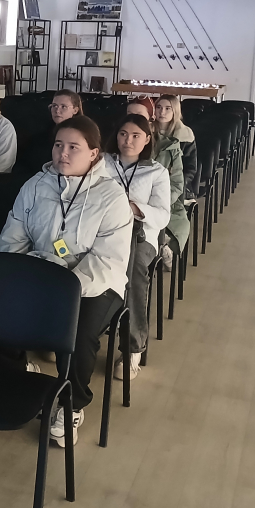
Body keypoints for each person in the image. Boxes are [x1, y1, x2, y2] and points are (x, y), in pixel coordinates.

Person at [0, 116, 133, 447]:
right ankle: (22, 376)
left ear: (94, 154)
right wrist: (25, 274)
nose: (63, 153)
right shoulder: (36, 185)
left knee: (78, 335)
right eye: (58, 145)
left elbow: (107, 260)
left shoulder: (111, 197)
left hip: (95, 284)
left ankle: (72, 402)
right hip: (41, 272)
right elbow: (12, 238)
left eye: (73, 147)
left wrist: (63, 288)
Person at [100, 114, 170, 382]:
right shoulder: (102, 162)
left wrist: (133, 207)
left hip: (141, 236)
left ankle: (132, 348)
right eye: (123, 134)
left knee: (135, 268)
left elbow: (162, 216)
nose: (127, 140)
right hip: (103, 231)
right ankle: (78, 330)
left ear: (147, 140)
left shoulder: (157, 172)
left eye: (135, 136)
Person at [127, 97, 190, 260]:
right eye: (129, 114)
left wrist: (153, 204)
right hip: (126, 206)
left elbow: (176, 184)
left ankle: (162, 246)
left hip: (162, 203)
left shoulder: (169, 147)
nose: (133, 119)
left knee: (137, 254)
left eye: (139, 115)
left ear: (151, 118)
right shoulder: (118, 145)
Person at [155, 95, 198, 204]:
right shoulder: (146, 131)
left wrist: (174, 182)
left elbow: (190, 168)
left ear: (175, 111)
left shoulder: (185, 134)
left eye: (167, 108)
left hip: (176, 183)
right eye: (158, 107)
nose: (162, 112)